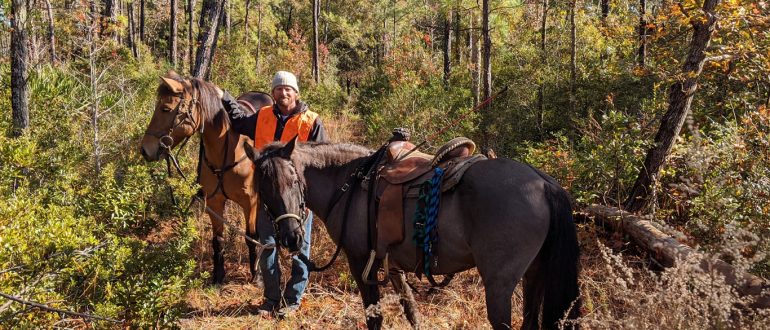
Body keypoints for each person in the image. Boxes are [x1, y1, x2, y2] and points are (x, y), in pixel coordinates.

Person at [221, 71, 328, 317]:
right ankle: (271, 299)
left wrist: (311, 197)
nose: (283, 92)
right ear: (273, 93)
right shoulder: (262, 117)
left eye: (288, 88)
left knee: (300, 250)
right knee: (267, 247)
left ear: (296, 92)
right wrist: (225, 97)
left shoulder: (311, 121)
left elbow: (321, 158)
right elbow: (237, 121)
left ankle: (292, 300)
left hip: (297, 200)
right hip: (268, 199)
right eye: (278, 89)